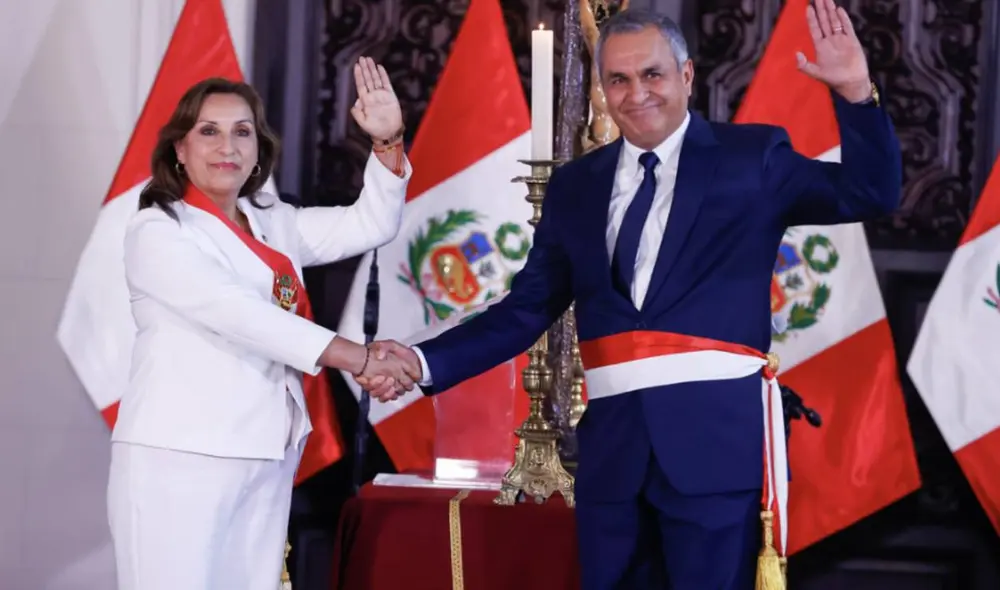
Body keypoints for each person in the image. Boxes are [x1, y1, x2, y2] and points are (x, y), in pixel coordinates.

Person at [358, 2, 901, 589]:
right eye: (617, 79)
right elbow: (526, 311)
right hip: (613, 465)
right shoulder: (576, 186)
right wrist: (421, 360)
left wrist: (855, 95)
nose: (635, 93)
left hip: (714, 457)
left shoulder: (755, 159)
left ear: (686, 76)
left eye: (652, 74)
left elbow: (870, 193)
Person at [106, 58, 418, 590]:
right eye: (209, 131)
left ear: (257, 150)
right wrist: (360, 358)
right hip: (180, 456)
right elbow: (244, 317)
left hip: (267, 450)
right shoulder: (157, 231)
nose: (227, 146)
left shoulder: (273, 219)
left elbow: (371, 223)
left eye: (242, 132)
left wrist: (387, 142)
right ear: (180, 149)